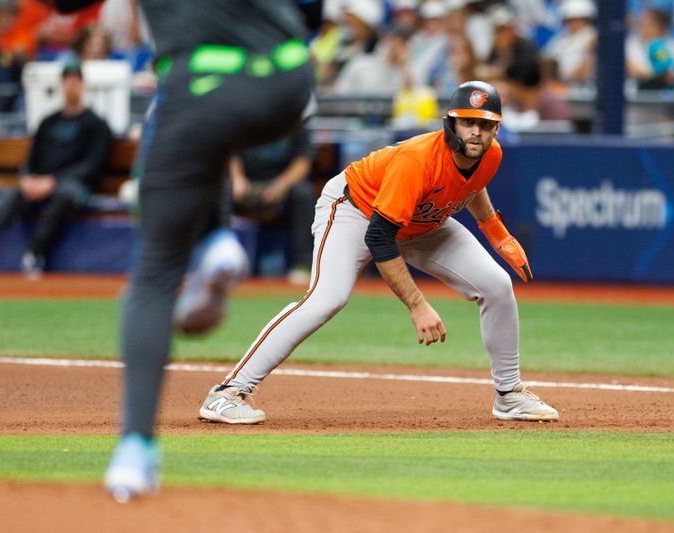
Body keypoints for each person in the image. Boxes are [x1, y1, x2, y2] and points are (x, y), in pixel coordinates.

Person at [47, 0, 320, 502]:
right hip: (289, 80)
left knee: (155, 269)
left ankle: (135, 451)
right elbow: (312, 12)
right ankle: (216, 240)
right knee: (213, 138)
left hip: (199, 83)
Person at [197, 81, 559, 427]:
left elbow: (472, 185)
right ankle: (228, 392)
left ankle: (509, 395)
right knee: (327, 299)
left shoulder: (490, 155)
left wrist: (498, 234)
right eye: (468, 123)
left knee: (496, 284)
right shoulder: (417, 160)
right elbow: (380, 236)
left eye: (485, 124)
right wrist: (417, 305)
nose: (476, 132)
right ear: (451, 124)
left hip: (419, 219)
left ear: (496, 129)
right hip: (357, 210)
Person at [0, 62, 111, 278]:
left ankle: (33, 255)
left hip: (74, 188)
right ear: (61, 84)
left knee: (65, 194)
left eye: (75, 81)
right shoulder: (48, 122)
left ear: (83, 85)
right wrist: (28, 179)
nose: (71, 86)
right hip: (38, 184)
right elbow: (32, 159)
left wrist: (51, 182)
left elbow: (91, 166)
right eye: (67, 80)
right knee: (2, 206)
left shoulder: (96, 124)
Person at [229, 123, 316, 283]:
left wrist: (280, 185)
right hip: (244, 185)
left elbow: (303, 162)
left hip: (280, 186)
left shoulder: (295, 121)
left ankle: (302, 265)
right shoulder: (243, 116)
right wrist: (237, 179)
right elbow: (229, 152)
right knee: (216, 192)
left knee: (303, 194)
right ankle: (214, 266)